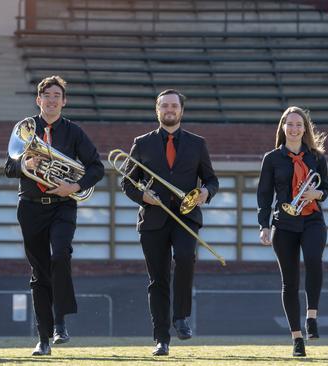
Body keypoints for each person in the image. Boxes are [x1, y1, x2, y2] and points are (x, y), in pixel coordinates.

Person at [4, 76, 105, 356]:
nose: (51, 99)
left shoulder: (74, 132)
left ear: (64, 101)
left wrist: (74, 185)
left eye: (56, 95)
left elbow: (96, 168)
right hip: (31, 206)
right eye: (46, 95)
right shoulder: (26, 129)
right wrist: (26, 162)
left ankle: (60, 320)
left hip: (62, 205)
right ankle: (44, 337)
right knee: (39, 273)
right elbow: (8, 169)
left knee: (59, 256)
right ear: (38, 100)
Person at [120, 89, 219, 356]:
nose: (169, 110)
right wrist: (144, 197)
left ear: (181, 111)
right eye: (164, 106)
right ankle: (161, 338)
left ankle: (181, 317)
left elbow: (212, 180)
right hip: (153, 219)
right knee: (158, 279)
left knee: (186, 257)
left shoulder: (197, 144)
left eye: (174, 106)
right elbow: (126, 182)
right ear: (157, 110)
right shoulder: (142, 143)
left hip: (187, 216)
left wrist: (206, 193)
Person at [257, 106, 328, 357]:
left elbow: (325, 189)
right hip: (284, 223)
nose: (295, 128)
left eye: (299, 124)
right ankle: (297, 338)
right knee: (289, 281)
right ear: (283, 127)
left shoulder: (317, 157)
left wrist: (316, 193)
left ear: (305, 129)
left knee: (313, 260)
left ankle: (312, 316)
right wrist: (264, 225)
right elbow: (264, 195)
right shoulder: (272, 159)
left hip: (312, 219)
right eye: (290, 124)